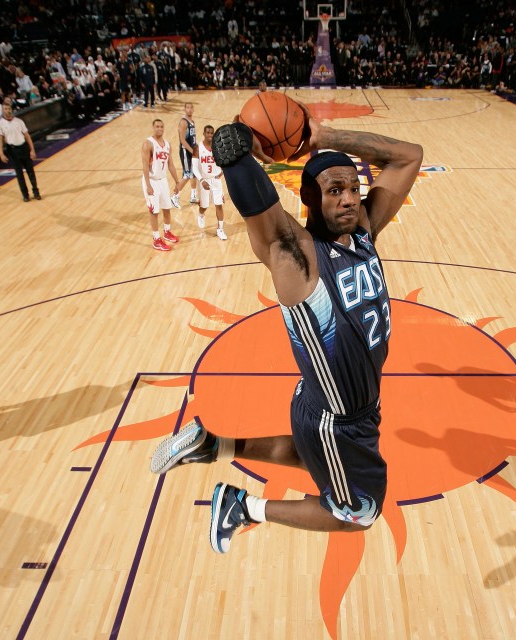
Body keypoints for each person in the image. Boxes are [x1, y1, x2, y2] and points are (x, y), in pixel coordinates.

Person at [149, 104, 423, 552]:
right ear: (309, 199)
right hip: (338, 419)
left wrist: (327, 136)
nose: (351, 199)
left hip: (339, 405)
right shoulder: (296, 256)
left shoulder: (363, 232)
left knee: (317, 461)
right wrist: (236, 151)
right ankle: (242, 505)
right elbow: (252, 190)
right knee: (359, 512)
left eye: (354, 188)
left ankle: (210, 445)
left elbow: (409, 155)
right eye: (335, 190)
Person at [141, 119, 182, 251]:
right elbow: (145, 166)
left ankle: (167, 232)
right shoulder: (148, 143)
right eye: (157, 126)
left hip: (163, 180)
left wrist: (177, 181)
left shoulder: (168, 144)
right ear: (153, 127)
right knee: (154, 211)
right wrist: (148, 185)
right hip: (152, 180)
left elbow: (171, 165)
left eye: (161, 127)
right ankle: (156, 239)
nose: (159, 128)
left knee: (166, 208)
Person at [0, 103, 40, 202]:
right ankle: (25, 195)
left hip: (23, 147)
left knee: (30, 172)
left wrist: (32, 149)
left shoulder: (19, 121)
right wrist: (1, 154)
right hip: (12, 150)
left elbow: (27, 136)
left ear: (11, 109)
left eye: (9, 108)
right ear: (2, 111)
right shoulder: (0, 124)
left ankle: (36, 192)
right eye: (5, 109)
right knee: (19, 174)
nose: (7, 110)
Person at [192, 125, 228, 240]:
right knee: (205, 205)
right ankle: (201, 214)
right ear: (203, 133)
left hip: (216, 180)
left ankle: (220, 229)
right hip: (204, 180)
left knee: (219, 204)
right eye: (208, 133)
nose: (210, 135)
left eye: (212, 133)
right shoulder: (198, 147)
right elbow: (194, 168)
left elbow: (225, 161)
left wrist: (222, 172)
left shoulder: (218, 147)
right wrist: (201, 180)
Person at [178, 102, 198, 204]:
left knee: (193, 173)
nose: (190, 109)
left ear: (193, 109)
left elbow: (192, 139)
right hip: (185, 151)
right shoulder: (184, 122)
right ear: (185, 109)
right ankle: (175, 196)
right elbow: (182, 140)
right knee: (187, 174)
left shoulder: (192, 122)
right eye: (188, 108)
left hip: (192, 150)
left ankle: (193, 196)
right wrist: (192, 151)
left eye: (191, 107)